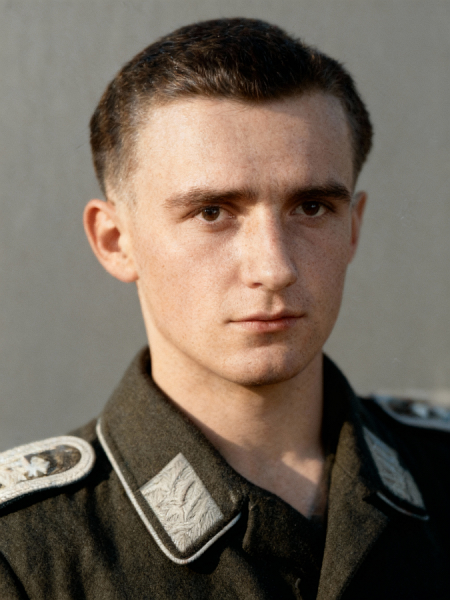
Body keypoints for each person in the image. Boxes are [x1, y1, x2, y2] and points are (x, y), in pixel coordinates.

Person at [0, 17, 449, 600]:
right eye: (212, 212)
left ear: (354, 229)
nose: (275, 267)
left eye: (312, 207)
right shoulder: (23, 555)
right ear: (115, 241)